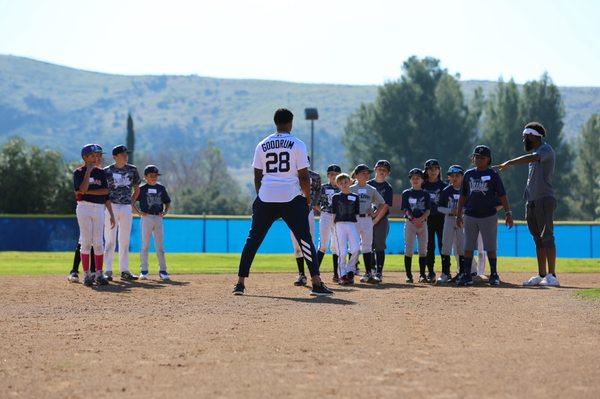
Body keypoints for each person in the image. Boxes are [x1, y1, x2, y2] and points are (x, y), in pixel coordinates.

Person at [233, 109, 332, 296]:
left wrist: (261, 195)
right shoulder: (298, 144)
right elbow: (304, 177)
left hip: (266, 198)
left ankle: (240, 283)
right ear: (291, 123)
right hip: (291, 198)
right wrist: (307, 200)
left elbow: (257, 175)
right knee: (305, 240)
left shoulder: (262, 145)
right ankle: (316, 283)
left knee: (253, 240)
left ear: (275, 122)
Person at [496, 122, 559, 287]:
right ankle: (542, 274)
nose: (523, 140)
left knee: (547, 237)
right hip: (532, 201)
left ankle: (552, 276)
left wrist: (509, 163)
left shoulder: (545, 150)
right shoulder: (536, 152)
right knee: (537, 239)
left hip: (545, 199)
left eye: (525, 137)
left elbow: (531, 158)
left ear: (532, 136)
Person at [456, 145, 514, 286]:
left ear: (488, 159)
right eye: (476, 156)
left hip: (489, 215)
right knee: (468, 246)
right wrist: (459, 215)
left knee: (490, 246)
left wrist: (508, 213)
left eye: (482, 157)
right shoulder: (469, 174)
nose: (479, 159)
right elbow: (462, 196)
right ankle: (467, 274)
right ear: (473, 158)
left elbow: (502, 195)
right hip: (470, 215)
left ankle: (494, 274)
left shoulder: (493, 175)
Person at [72, 144, 115, 287]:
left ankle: (99, 273)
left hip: (99, 208)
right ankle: (87, 275)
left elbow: (105, 192)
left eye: (98, 155)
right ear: (85, 157)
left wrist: (87, 192)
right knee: (85, 242)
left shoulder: (101, 172)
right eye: (93, 155)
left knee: (98, 242)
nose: (97, 157)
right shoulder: (78, 172)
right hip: (84, 208)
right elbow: (82, 189)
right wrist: (88, 172)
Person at [103, 145, 141, 281]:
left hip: (125, 207)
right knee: (109, 239)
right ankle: (107, 270)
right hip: (111, 206)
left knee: (124, 240)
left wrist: (131, 202)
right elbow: (103, 190)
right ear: (115, 156)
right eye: (122, 154)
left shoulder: (132, 169)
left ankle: (124, 270)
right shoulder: (106, 171)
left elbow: (137, 188)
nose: (125, 156)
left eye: (126, 154)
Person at [350, 164, 388, 284]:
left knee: (367, 246)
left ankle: (368, 273)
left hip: (367, 219)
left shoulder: (371, 189)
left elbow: (382, 203)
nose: (366, 175)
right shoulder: (350, 189)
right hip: (354, 219)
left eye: (367, 173)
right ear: (356, 175)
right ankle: (349, 272)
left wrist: (375, 213)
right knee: (354, 247)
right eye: (363, 173)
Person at [132, 165, 172, 281]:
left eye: (156, 175)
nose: (154, 177)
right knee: (145, 245)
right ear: (145, 177)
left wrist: (165, 211)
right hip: (147, 217)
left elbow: (167, 201)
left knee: (160, 246)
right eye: (151, 175)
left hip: (158, 218)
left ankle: (163, 271)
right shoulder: (142, 189)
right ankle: (144, 271)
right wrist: (139, 213)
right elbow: (131, 201)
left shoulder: (161, 188)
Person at [290, 157, 321, 286]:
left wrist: (313, 204)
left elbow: (318, 190)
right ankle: (302, 275)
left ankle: (313, 275)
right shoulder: (290, 176)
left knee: (310, 241)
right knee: (296, 244)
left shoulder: (315, 176)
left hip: (308, 211)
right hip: (292, 212)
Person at [401, 168, 431, 283]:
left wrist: (421, 219)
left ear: (422, 180)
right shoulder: (406, 193)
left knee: (423, 250)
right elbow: (405, 209)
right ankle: (409, 275)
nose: (415, 180)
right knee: (408, 249)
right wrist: (414, 220)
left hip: (423, 223)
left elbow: (428, 210)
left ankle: (422, 275)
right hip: (410, 223)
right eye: (413, 178)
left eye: (418, 178)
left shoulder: (425, 194)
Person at [437, 165, 465, 283]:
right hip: (449, 219)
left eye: (457, 176)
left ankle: (462, 273)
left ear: (462, 177)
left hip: (463, 220)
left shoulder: (466, 190)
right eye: (452, 176)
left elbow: (470, 206)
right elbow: (439, 208)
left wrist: (462, 211)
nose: (454, 178)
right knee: (446, 245)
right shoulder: (446, 191)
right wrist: (450, 211)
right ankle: (445, 273)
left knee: (461, 246)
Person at [331, 173, 361, 285]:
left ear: (350, 182)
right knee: (342, 252)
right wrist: (334, 227)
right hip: (339, 224)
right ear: (337, 184)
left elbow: (357, 214)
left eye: (345, 182)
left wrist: (357, 227)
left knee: (356, 249)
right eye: (341, 183)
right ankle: (342, 275)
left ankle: (350, 270)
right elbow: (333, 213)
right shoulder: (336, 197)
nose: (343, 184)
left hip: (352, 224)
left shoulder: (355, 197)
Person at [367, 160, 394, 282]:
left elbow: (385, 205)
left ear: (388, 173)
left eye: (384, 170)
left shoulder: (387, 187)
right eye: (380, 169)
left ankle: (379, 272)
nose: (381, 171)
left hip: (381, 219)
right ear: (375, 169)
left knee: (379, 245)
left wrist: (376, 219)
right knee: (368, 245)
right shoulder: (367, 184)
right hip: (366, 218)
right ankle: (370, 271)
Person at [316, 164, 341, 282]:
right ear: (328, 175)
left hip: (338, 217)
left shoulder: (343, 188)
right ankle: (315, 272)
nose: (334, 176)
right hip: (326, 215)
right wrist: (321, 210)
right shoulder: (323, 187)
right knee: (323, 245)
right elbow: (315, 201)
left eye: (336, 175)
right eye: (332, 174)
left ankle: (336, 274)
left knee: (336, 245)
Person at [422, 159, 446, 282]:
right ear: (426, 170)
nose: (434, 171)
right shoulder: (422, 185)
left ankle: (445, 272)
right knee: (429, 246)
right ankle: (430, 272)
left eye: (436, 168)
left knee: (443, 246)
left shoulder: (444, 186)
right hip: (427, 219)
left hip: (442, 218)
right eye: (431, 169)